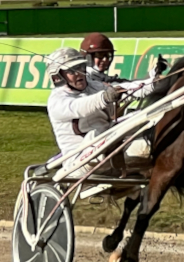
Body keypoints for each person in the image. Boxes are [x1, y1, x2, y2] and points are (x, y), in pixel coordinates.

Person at [46, 47, 160, 177]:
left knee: (142, 117)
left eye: (81, 67)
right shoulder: (57, 101)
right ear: (58, 77)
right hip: (79, 160)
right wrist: (104, 98)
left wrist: (152, 84)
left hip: (106, 144)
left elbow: (125, 89)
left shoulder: (93, 85)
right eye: (72, 71)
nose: (79, 73)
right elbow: (80, 107)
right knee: (96, 135)